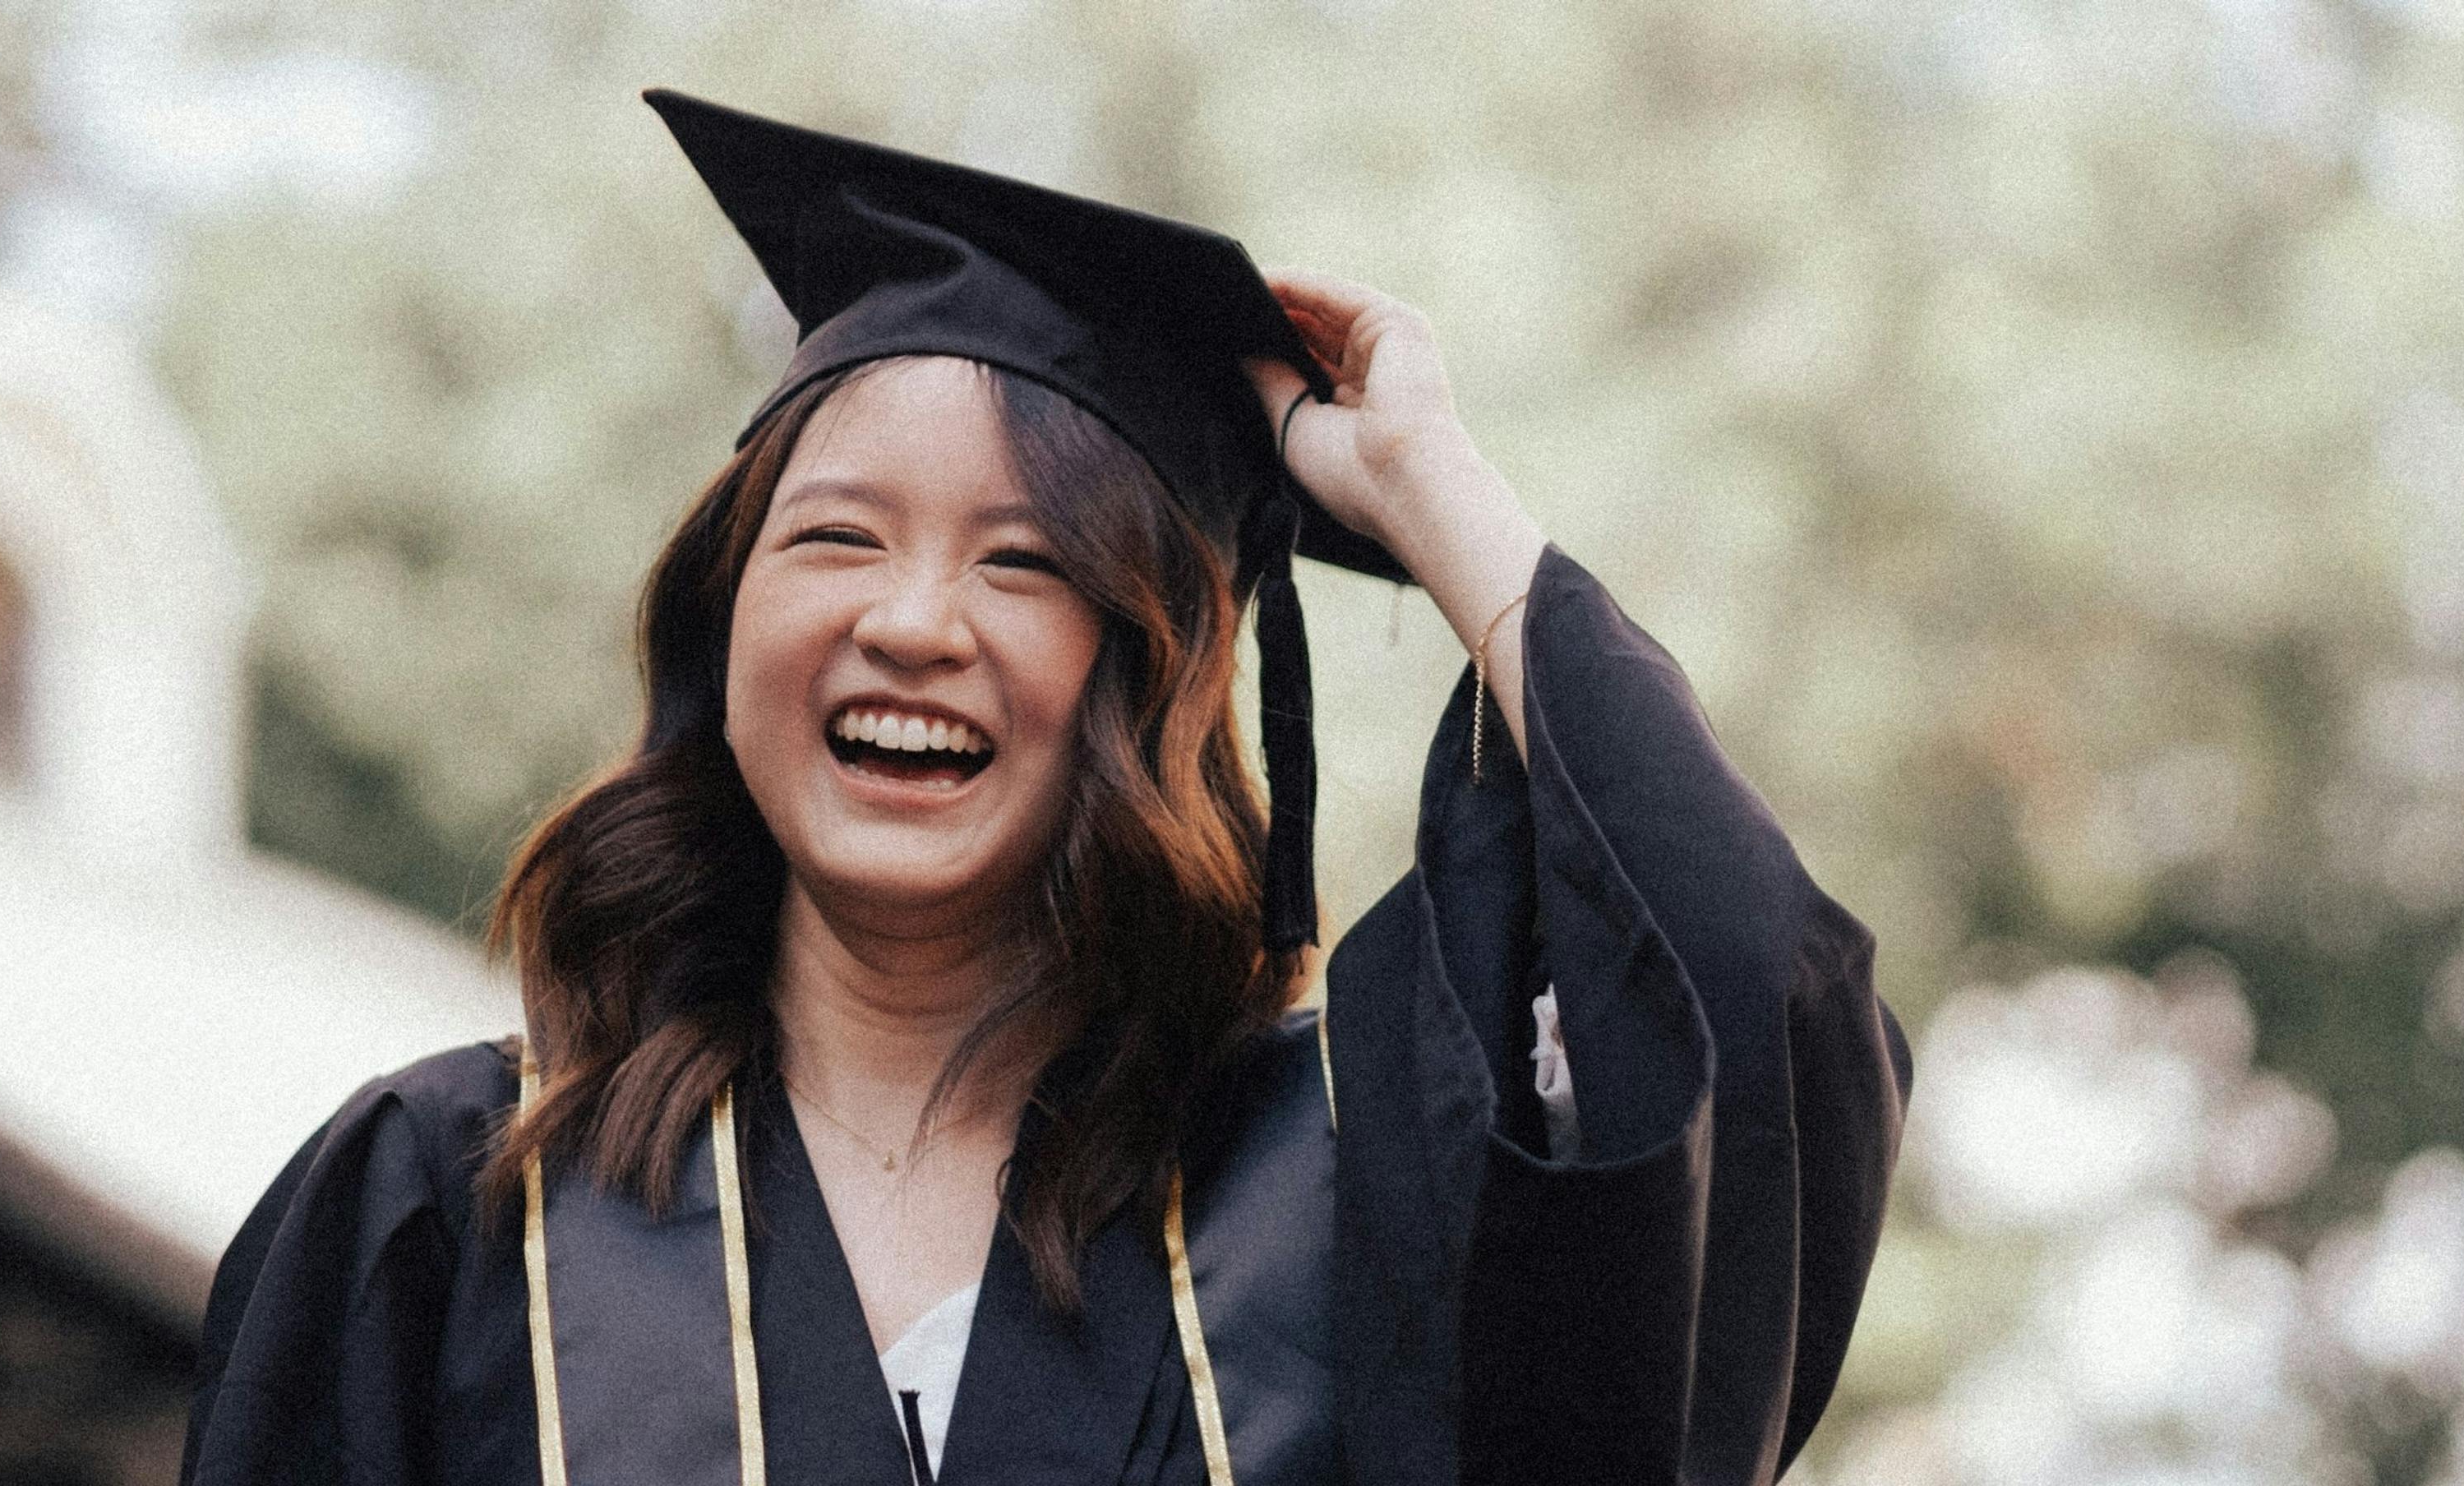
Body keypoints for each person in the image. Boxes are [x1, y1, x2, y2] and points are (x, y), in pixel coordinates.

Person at [179, 90, 1910, 1486]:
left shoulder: (1349, 1192)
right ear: (723, 622)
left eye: (1024, 563)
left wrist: (1429, 494)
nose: (913, 622)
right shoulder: (450, 1209)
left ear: (1150, 677)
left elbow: (1743, 1017)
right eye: (836, 538)